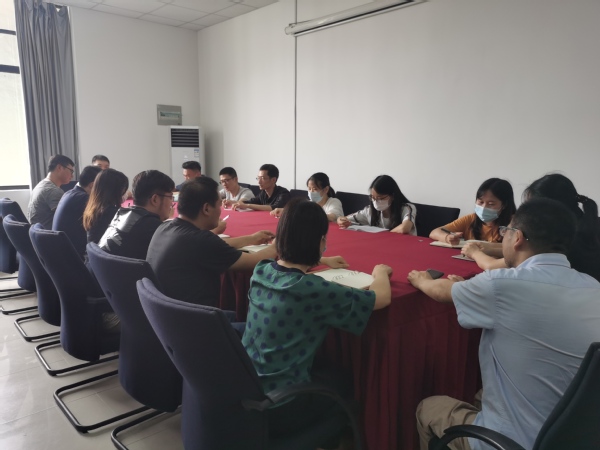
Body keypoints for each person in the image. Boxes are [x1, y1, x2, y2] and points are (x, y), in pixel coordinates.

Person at [407, 198, 600, 450]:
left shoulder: (501, 284)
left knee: (429, 408)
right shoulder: (593, 287)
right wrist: (471, 289)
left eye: (506, 231)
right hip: (577, 438)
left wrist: (421, 280)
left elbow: (441, 292)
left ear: (517, 237)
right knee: (479, 395)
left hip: (512, 442)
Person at [243, 198, 392, 446]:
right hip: (283, 406)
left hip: (248, 390)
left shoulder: (261, 269)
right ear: (321, 241)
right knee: (346, 379)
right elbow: (381, 298)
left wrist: (323, 261)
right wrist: (381, 273)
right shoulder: (312, 288)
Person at [147, 177, 279, 307]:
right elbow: (254, 261)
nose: (221, 210)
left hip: (166, 315)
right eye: (219, 204)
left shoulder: (164, 227)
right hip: (198, 318)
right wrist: (279, 243)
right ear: (206, 209)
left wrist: (251, 238)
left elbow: (216, 245)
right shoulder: (200, 241)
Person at [99, 170, 175, 260]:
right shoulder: (153, 227)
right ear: (155, 199)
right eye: (170, 197)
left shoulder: (122, 213)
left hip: (101, 267)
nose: (172, 202)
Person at [429, 178, 516, 245]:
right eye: (480, 202)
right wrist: (448, 237)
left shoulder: (514, 223)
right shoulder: (471, 219)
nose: (484, 207)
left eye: (491, 204)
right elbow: (434, 232)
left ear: (504, 205)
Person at [337, 174, 417, 234]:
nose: (375, 201)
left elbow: (405, 228)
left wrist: (383, 235)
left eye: (381, 198)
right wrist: (341, 220)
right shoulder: (369, 211)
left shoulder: (407, 208)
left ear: (392, 196)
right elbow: (343, 218)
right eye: (373, 198)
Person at [52, 165, 103, 259]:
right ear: (92, 185)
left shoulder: (69, 193)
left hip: (61, 253)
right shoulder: (83, 199)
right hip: (74, 257)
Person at [271, 172, 344, 222]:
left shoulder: (334, 202)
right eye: (309, 189)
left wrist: (302, 214)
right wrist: (286, 211)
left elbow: (331, 217)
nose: (311, 192)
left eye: (315, 189)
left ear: (326, 189)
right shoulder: (309, 203)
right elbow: (298, 210)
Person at [28, 154, 75, 229]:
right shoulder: (53, 191)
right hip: (49, 234)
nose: (72, 176)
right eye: (71, 171)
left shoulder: (41, 185)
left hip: (38, 233)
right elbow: (68, 220)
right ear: (59, 167)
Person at [83, 168, 129, 244]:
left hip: (94, 250)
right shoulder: (111, 213)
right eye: (123, 189)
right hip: (104, 249)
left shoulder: (93, 208)